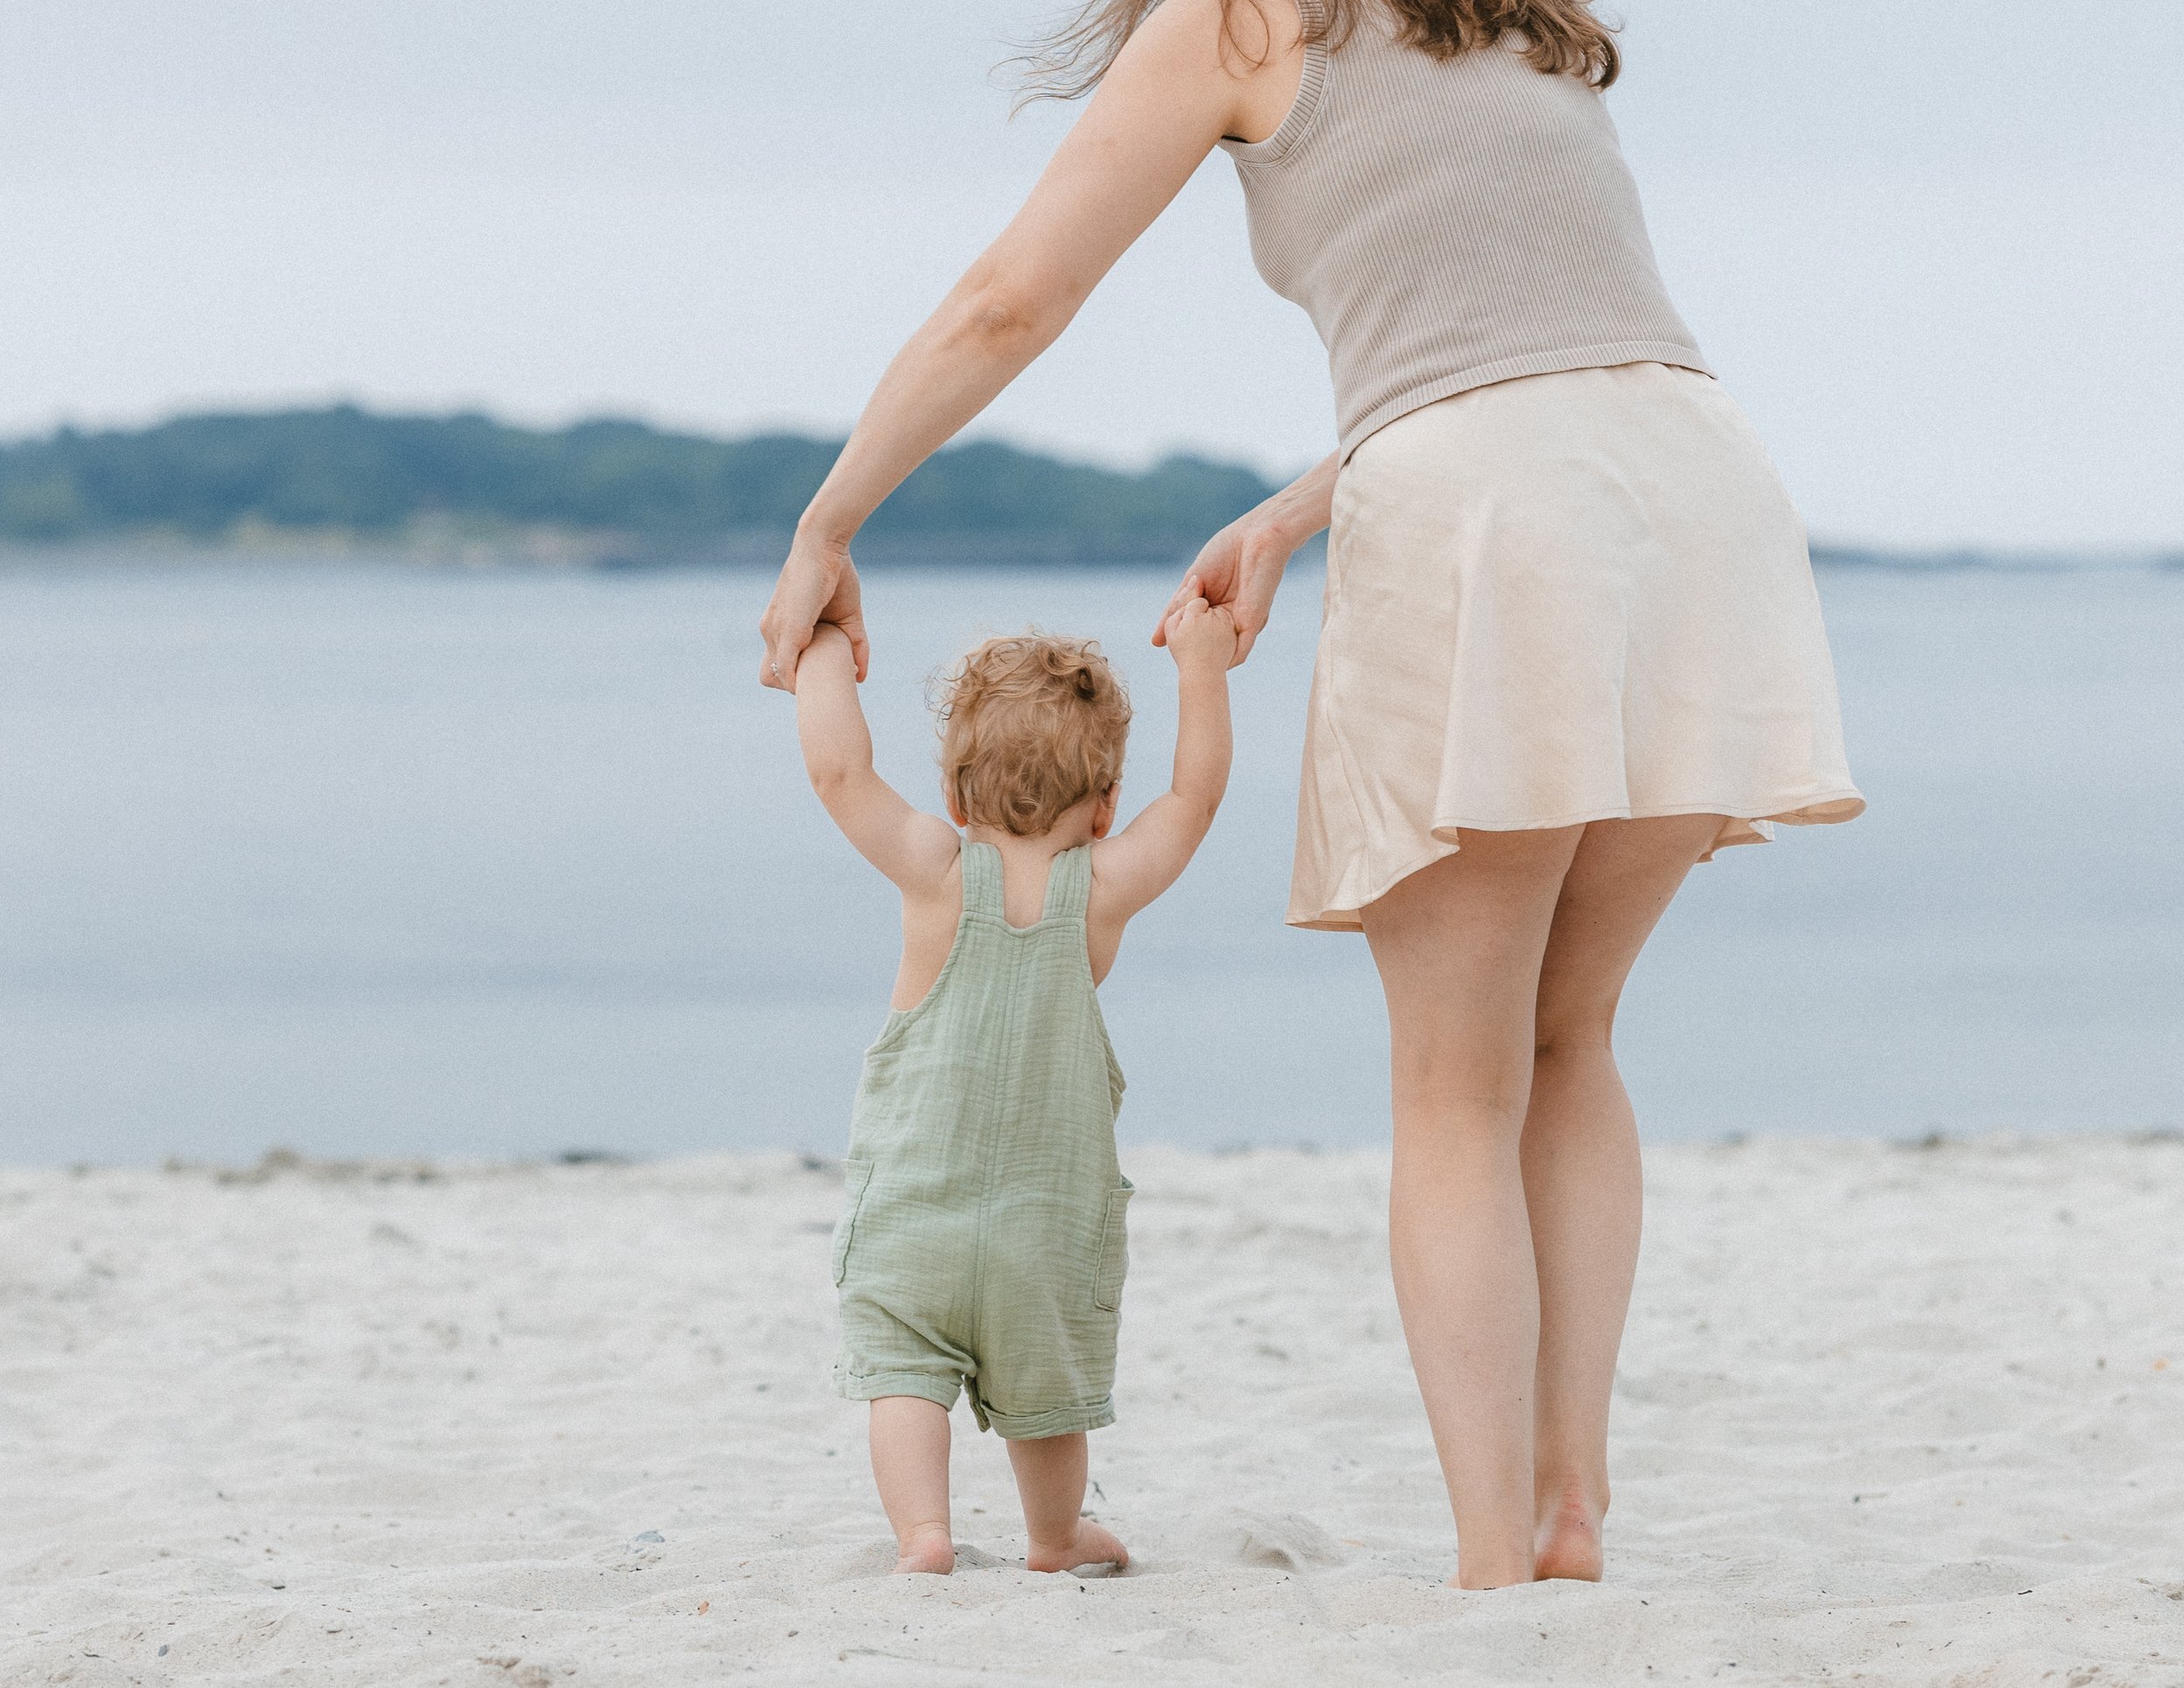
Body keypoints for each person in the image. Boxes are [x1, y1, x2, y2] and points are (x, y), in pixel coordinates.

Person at [761, 0, 1863, 1588]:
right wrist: (1296, 508)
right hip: (1692, 484)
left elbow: (1014, 299)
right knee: (1571, 1038)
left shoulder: (1239, 19)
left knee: (1456, 1085)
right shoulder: (1510, 17)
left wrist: (830, 520)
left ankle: (1498, 1563)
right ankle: (1571, 1505)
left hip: (1494, 505)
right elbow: (1534, 338)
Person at [791, 598, 1238, 1574]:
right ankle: (1052, 1534)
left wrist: (821, 651)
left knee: (904, 1373)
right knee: (1047, 1392)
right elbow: (1194, 801)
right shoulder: (1104, 889)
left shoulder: (934, 870)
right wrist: (1202, 670)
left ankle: (925, 1534)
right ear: (1106, 803)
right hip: (1045, 1224)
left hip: (917, 1209)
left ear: (955, 793)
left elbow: (837, 771)